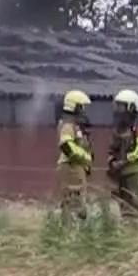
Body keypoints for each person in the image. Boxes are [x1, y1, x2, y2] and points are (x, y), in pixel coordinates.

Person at [107, 89, 138, 221]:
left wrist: (123, 162)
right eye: (117, 106)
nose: (118, 110)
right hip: (122, 175)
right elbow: (113, 148)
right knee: (125, 209)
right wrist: (111, 162)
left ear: (132, 107)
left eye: (122, 106)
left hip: (137, 174)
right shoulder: (120, 128)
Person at [55, 89, 95, 221]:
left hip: (76, 167)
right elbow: (66, 145)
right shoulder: (67, 125)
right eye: (82, 107)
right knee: (74, 202)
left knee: (79, 202)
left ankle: (74, 226)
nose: (83, 111)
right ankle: (71, 228)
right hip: (70, 167)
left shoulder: (74, 125)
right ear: (75, 106)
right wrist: (85, 157)